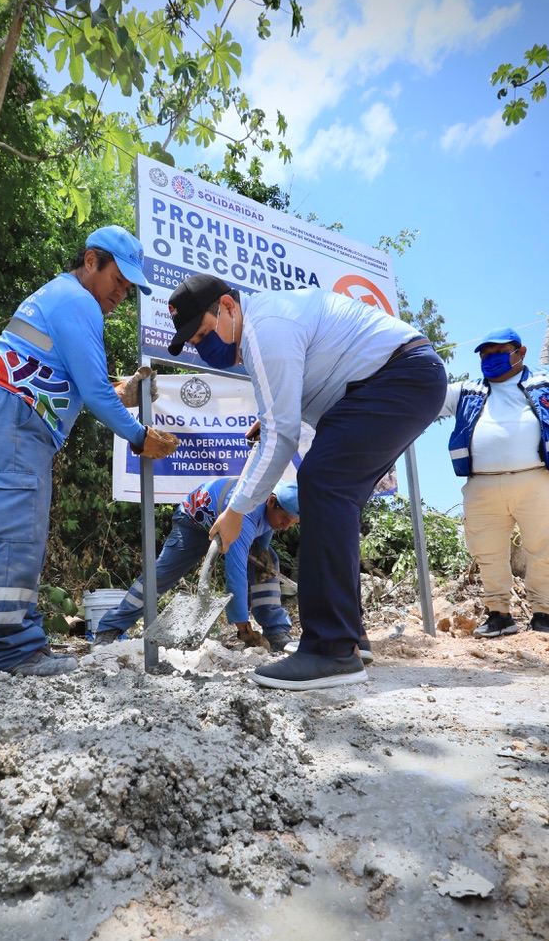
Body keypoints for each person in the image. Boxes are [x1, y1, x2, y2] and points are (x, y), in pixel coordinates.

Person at [165, 274, 447, 690]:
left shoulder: (262, 327)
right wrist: (274, 421)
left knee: (321, 484)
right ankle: (349, 638)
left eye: (205, 333)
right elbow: (286, 417)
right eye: (195, 342)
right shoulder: (265, 327)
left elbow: (282, 438)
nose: (204, 346)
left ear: (228, 306)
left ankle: (330, 650)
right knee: (335, 496)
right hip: (402, 379)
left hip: (398, 377)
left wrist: (236, 511)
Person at [0, 225, 178, 677]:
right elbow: (96, 393)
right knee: (16, 533)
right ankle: (14, 650)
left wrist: (128, 390)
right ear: (92, 260)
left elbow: (85, 387)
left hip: (12, 415)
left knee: (21, 530)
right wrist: (141, 437)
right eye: (119, 280)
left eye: (129, 288)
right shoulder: (78, 301)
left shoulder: (64, 300)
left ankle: (18, 643)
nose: (122, 293)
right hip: (11, 414)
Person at [439, 328, 549, 638]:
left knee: (547, 549)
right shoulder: (465, 391)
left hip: (540, 478)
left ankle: (543, 616)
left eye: (499, 352)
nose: (490, 359)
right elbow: (422, 399)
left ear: (520, 352)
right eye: (485, 354)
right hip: (482, 485)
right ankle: (499, 614)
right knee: (487, 551)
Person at [94, 477, 300, 650]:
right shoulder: (246, 514)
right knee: (162, 574)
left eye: (292, 522)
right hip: (194, 522)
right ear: (271, 502)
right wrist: (242, 626)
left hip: (228, 520)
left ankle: (276, 631)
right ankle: (110, 628)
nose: (286, 526)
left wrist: (261, 550)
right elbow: (235, 573)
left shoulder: (274, 501)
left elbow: (265, 527)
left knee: (267, 564)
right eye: (284, 519)